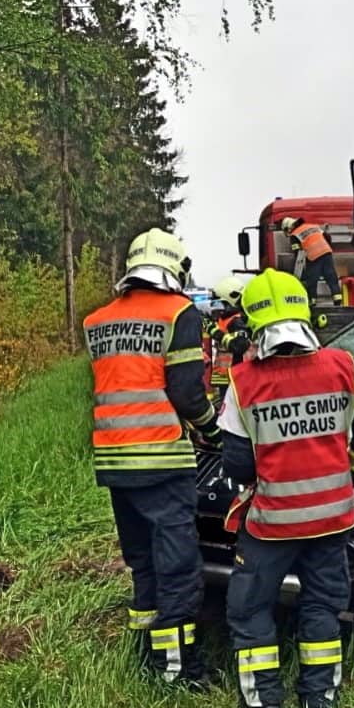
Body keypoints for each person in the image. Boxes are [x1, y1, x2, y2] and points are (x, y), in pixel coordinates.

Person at [218, 270, 354, 708]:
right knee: (323, 607)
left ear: (253, 323)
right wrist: (348, 476)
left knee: (250, 609)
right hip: (333, 520)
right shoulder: (341, 366)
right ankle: (320, 703)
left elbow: (236, 464)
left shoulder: (243, 382)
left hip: (272, 525)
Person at [83, 228, 220, 684]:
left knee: (142, 562)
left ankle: (146, 652)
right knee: (177, 568)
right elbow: (187, 392)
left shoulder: (98, 320)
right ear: (174, 268)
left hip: (114, 460)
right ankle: (178, 670)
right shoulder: (178, 312)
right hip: (161, 458)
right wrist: (212, 432)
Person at [208, 274, 252, 406]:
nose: (217, 308)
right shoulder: (225, 319)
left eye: (220, 303)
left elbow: (240, 345)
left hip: (235, 376)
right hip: (226, 377)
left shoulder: (236, 321)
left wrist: (216, 333)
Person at [280, 216, 342, 305]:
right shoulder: (312, 226)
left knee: (312, 279)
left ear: (289, 227)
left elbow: (298, 253)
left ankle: (312, 301)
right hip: (326, 252)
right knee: (331, 277)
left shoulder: (295, 235)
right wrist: (324, 246)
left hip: (313, 255)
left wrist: (298, 270)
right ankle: (337, 300)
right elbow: (328, 237)